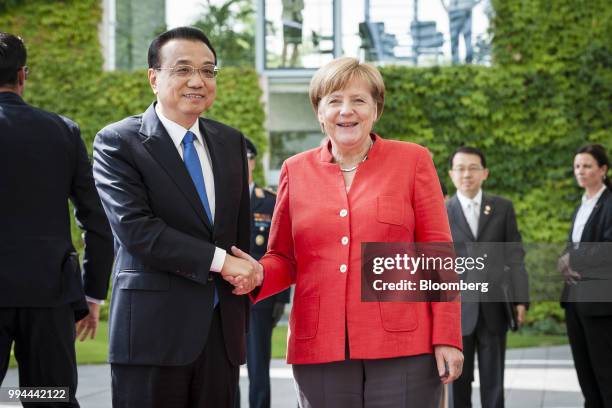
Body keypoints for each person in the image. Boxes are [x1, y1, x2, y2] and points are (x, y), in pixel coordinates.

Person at [232, 57, 463, 408]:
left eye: (359, 100)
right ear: (319, 111)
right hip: (320, 346)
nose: (346, 111)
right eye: (334, 100)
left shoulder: (412, 161)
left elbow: (438, 255)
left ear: (375, 110)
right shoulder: (295, 170)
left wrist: (447, 336)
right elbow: (283, 256)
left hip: (404, 346)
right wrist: (258, 274)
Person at [92, 26, 258, 408]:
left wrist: (248, 271)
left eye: (208, 70)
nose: (197, 81)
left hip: (221, 335)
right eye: (183, 69)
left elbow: (238, 229)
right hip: (152, 335)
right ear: (154, 77)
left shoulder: (230, 142)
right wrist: (223, 262)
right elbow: (137, 231)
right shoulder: (118, 142)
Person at [0, 32, 114, 407]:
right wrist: (92, 293)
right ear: (23, 75)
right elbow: (96, 220)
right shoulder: (62, 132)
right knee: (48, 398)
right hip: (48, 295)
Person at [446, 146, 529, 408]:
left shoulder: (502, 208)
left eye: (473, 168)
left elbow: (515, 257)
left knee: (494, 382)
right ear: (451, 174)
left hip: (494, 307)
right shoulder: (441, 211)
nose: (466, 174)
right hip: (456, 311)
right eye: (460, 168)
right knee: (457, 382)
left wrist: (520, 300)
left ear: (485, 173)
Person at [237, 138, 291, 408]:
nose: (242, 164)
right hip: (225, 294)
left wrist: (281, 299)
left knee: (259, 362)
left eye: (246, 159)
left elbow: (283, 249)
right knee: (224, 367)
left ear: (253, 162)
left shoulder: (269, 201)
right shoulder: (218, 199)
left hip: (260, 296)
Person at [558, 143, 612, 407]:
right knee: (585, 372)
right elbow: (576, 246)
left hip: (601, 304)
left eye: (587, 166)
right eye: (577, 166)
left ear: (603, 169)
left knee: (605, 372)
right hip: (575, 299)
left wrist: (574, 258)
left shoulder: (610, 203)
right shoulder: (582, 204)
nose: (580, 171)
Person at [281, 0, 304, 67]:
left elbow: (302, 6)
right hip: (287, 21)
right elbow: (286, 4)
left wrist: (293, 7)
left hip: (298, 20)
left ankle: (292, 65)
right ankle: (283, 64)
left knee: (296, 44)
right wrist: (296, 7)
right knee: (286, 43)